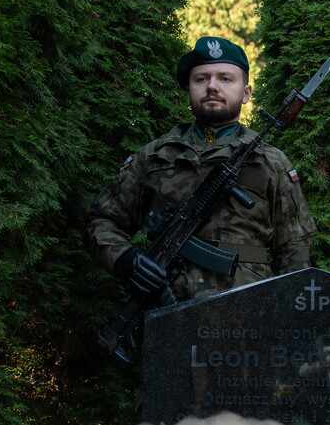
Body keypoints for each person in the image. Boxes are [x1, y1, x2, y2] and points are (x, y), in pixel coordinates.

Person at [85, 36, 317, 303]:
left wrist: (289, 316)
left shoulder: (270, 162)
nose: (212, 87)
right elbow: (102, 222)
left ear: (246, 93)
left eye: (225, 79)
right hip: (166, 309)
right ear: (189, 89)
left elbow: (296, 251)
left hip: (248, 318)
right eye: (201, 79)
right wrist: (124, 259)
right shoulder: (155, 156)